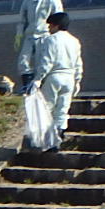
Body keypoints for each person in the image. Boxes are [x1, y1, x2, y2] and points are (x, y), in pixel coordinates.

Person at [33, 12, 83, 148]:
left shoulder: (51, 40)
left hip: (54, 76)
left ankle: (46, 141)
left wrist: (37, 79)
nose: (49, 28)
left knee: (47, 109)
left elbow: (46, 62)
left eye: (50, 25)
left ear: (56, 25)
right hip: (70, 78)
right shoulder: (74, 41)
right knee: (62, 110)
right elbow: (78, 64)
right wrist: (78, 81)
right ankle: (58, 140)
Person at [15, 0, 64, 89]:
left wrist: (56, 35)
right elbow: (22, 20)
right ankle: (26, 85)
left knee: (40, 63)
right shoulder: (27, 2)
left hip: (45, 35)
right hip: (29, 35)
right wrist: (18, 35)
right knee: (23, 62)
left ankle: (38, 86)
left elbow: (58, 17)